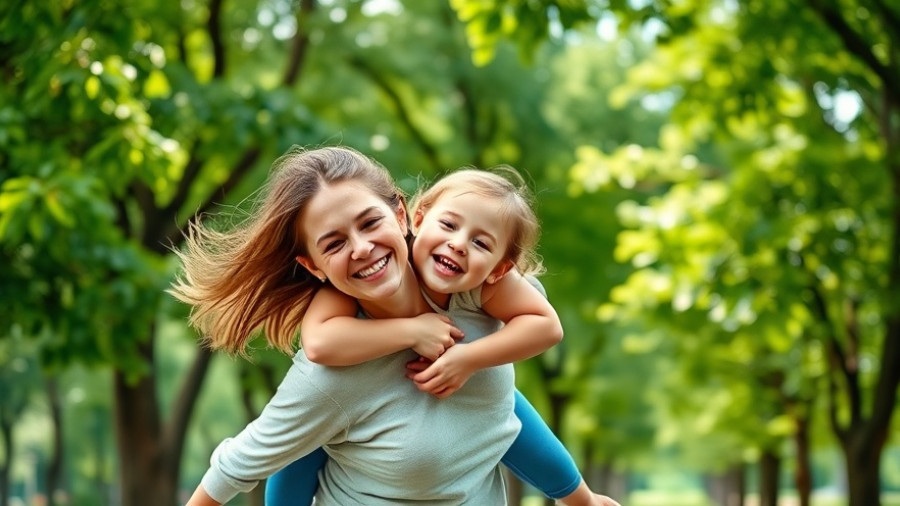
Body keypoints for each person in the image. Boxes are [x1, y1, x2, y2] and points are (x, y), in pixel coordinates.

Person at [171, 146, 619, 505]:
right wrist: (414, 331)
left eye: (370, 223)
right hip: (326, 453)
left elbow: (507, 412)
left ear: (402, 215)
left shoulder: (472, 284)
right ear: (314, 265)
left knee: (496, 393)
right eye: (335, 243)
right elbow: (247, 458)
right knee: (305, 442)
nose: (362, 248)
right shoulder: (329, 368)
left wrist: (579, 498)